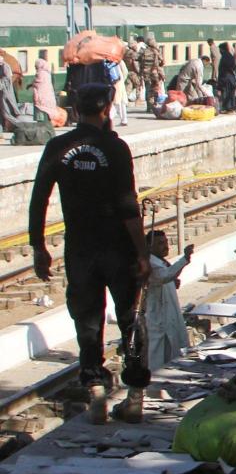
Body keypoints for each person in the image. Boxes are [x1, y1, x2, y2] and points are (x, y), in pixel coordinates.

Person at [29, 84, 150, 422]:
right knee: (131, 319)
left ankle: (96, 391)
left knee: (86, 319)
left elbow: (39, 197)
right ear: (107, 108)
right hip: (118, 249)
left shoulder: (58, 147)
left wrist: (38, 246)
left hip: (81, 250)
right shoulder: (115, 148)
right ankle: (135, 395)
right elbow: (128, 207)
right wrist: (142, 253)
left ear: (77, 109)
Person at [142, 230, 194, 371]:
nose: (165, 246)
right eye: (160, 244)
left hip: (170, 313)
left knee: (174, 352)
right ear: (149, 247)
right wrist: (185, 259)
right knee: (158, 355)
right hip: (159, 317)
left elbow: (169, 276)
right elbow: (165, 276)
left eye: (165, 243)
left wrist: (173, 283)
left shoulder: (161, 261)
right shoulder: (151, 263)